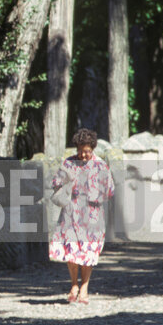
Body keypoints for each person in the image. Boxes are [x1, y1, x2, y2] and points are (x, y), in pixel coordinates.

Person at [49, 127, 115, 304]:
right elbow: (55, 182)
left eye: (87, 151)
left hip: (93, 215)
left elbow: (110, 190)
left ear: (92, 149)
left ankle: (84, 287)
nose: (83, 155)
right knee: (72, 251)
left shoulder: (101, 165)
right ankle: (73, 285)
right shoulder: (69, 163)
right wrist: (67, 183)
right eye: (80, 151)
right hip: (71, 213)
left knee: (88, 252)